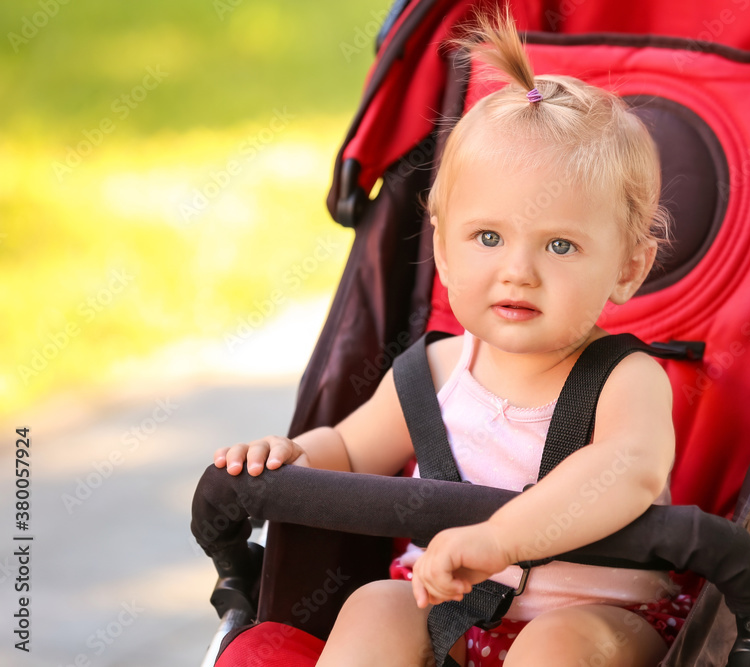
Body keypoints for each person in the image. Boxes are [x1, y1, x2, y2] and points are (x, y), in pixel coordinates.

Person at [214, 10, 682, 667]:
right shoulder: (433, 373)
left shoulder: (626, 379)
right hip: (450, 614)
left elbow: (626, 472)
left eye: (560, 244)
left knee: (555, 645)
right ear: (442, 245)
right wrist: (286, 457)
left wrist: (500, 539)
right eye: (488, 237)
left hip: (599, 615)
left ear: (628, 267)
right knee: (376, 602)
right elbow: (349, 449)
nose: (518, 270)